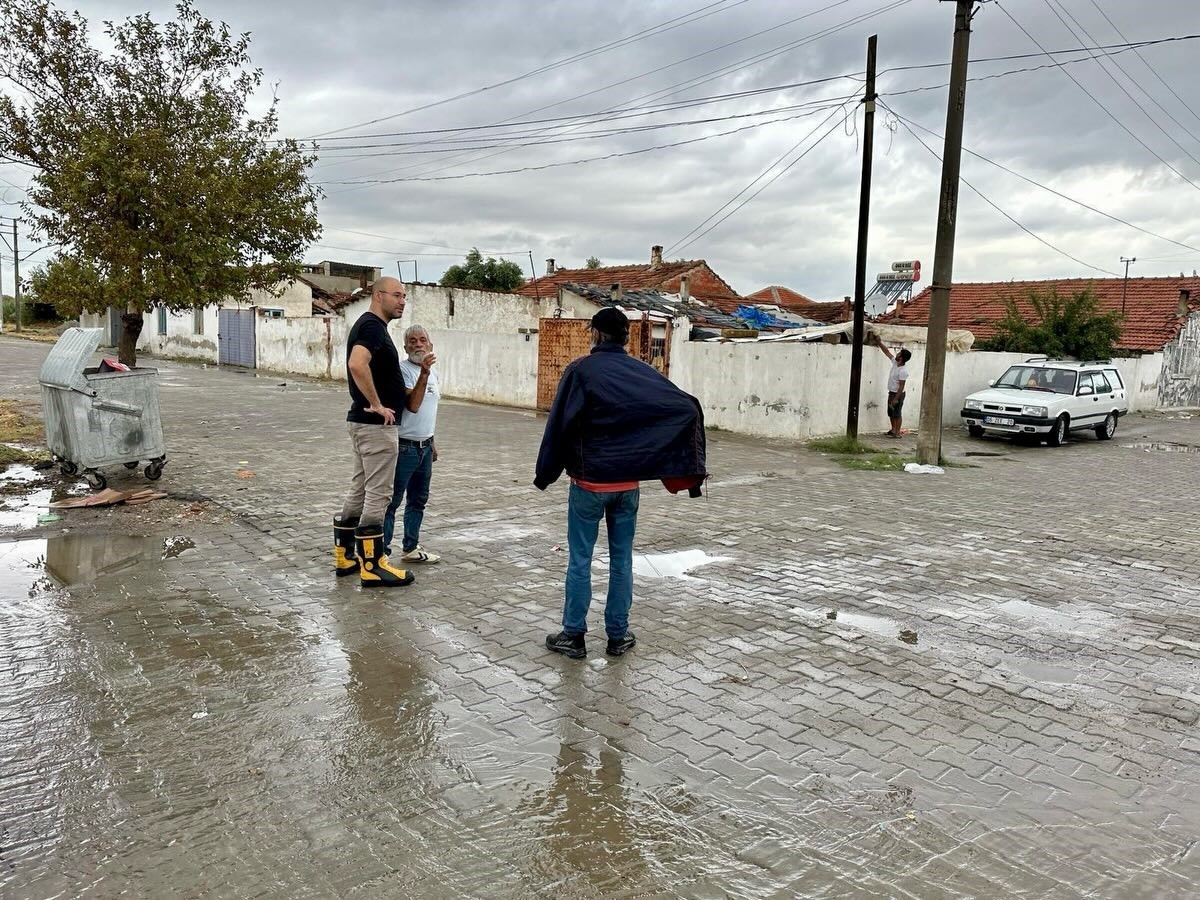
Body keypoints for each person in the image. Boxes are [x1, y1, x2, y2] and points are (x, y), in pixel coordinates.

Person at [534, 307, 707, 660]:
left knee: (580, 560)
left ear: (595, 334)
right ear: (625, 337)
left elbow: (559, 426)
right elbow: (687, 407)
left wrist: (546, 473)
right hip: (627, 486)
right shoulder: (643, 373)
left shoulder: (580, 371)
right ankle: (617, 635)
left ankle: (573, 636)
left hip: (588, 484)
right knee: (621, 560)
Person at [332, 277, 415, 588]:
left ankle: (345, 557)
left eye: (404, 296)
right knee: (378, 494)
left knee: (360, 489)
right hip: (375, 427)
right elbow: (357, 364)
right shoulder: (372, 327)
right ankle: (373, 566)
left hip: (361, 425)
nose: (402, 301)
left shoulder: (369, 326)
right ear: (378, 296)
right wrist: (377, 404)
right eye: (396, 295)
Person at [382, 324, 441, 565]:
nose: (418, 344)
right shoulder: (402, 371)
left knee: (418, 500)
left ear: (430, 345)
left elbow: (429, 411)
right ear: (405, 347)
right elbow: (413, 405)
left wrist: (432, 442)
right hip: (404, 447)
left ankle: (411, 547)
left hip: (424, 447)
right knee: (392, 501)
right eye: (413, 341)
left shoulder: (434, 373)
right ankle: (381, 552)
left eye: (422, 340)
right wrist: (424, 374)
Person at [872, 335, 912, 438]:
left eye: (899, 353)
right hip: (891, 392)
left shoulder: (903, 371)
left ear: (901, 358)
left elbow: (901, 387)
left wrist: (896, 398)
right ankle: (893, 430)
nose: (897, 354)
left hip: (898, 394)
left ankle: (897, 433)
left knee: (897, 413)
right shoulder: (895, 363)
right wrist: (879, 342)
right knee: (891, 412)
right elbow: (887, 352)